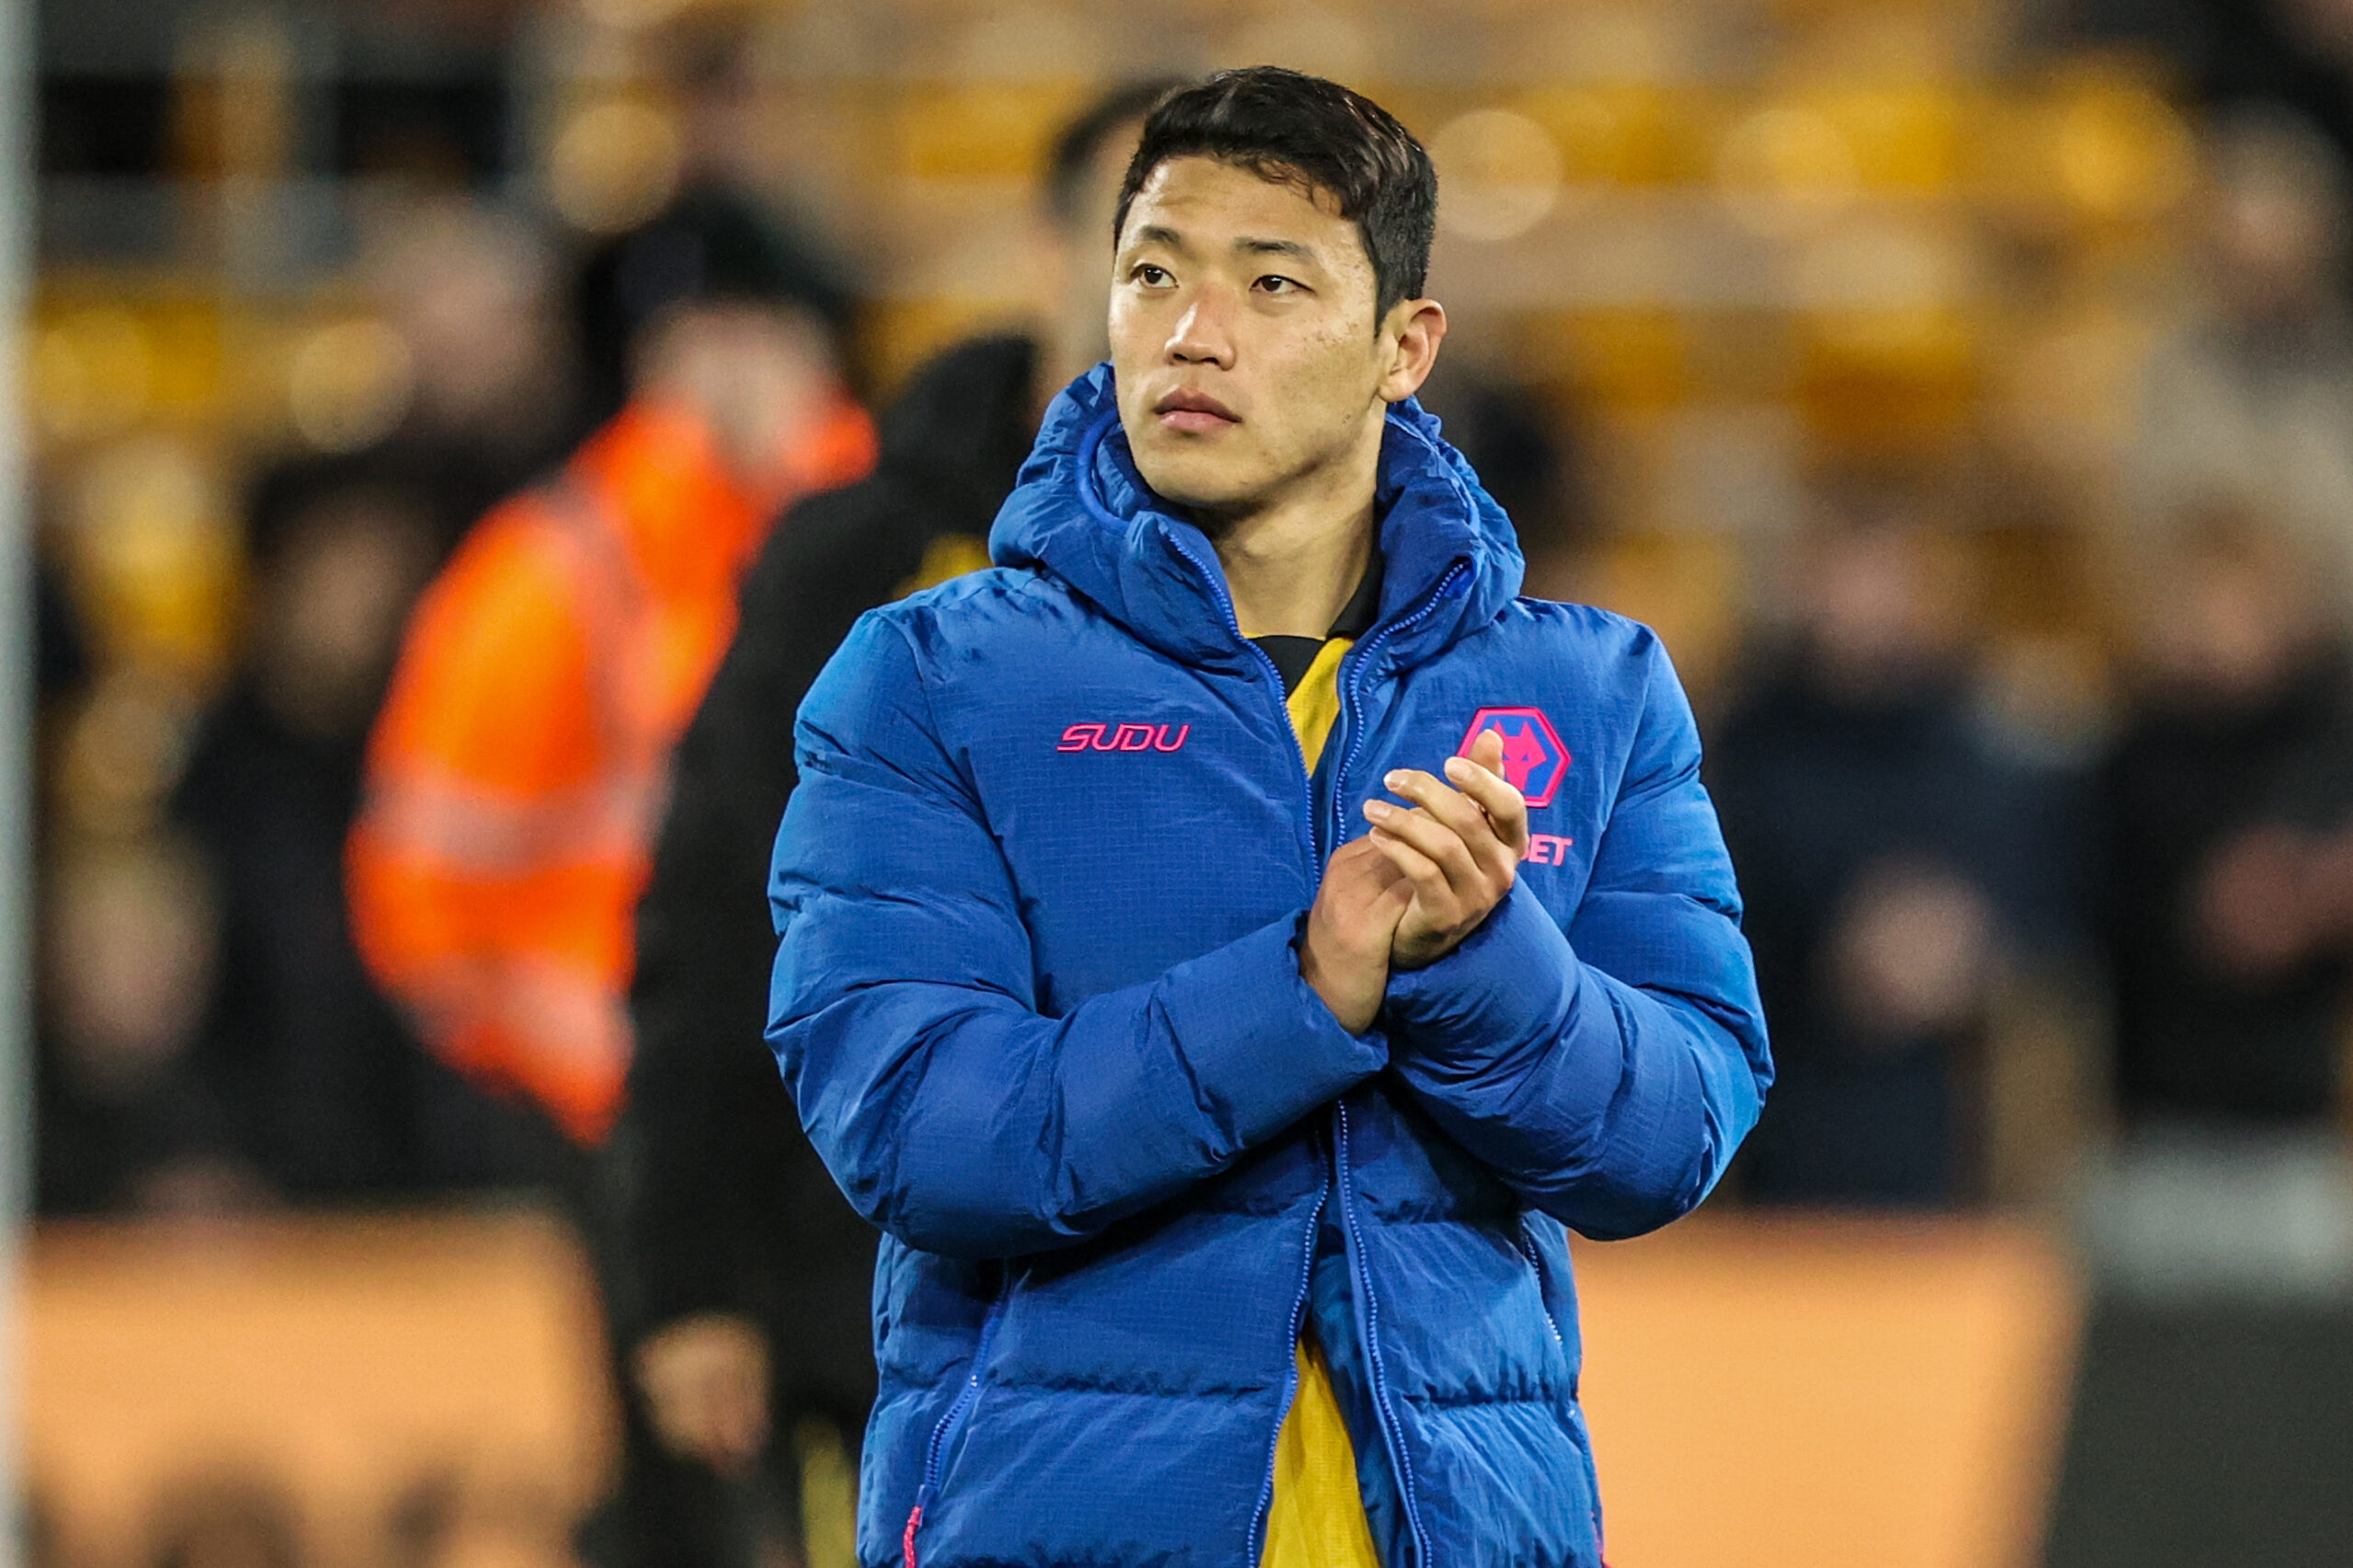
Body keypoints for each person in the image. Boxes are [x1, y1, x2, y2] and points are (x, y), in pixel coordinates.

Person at [767, 68, 1770, 1568]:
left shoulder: (1595, 689)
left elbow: (1673, 1132)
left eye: (1271, 281)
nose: (1191, 331)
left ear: (1402, 347)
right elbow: (923, 1129)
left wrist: (1487, 963)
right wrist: (1305, 988)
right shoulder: (926, 680)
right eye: (1152, 272)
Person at [610, 79, 1177, 1562]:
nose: (1193, 310)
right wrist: (689, 1268)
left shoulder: (1334, 573)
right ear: (1052, 258)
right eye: (1151, 250)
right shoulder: (854, 562)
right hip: (879, 1312)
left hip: (1208, 1330)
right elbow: (723, 912)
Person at [347, 187, 873, 1157]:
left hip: (842, 1092)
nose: (738, 370)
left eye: (762, 331)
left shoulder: (904, 541)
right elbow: (423, 891)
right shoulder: (554, 572)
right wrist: (565, 1057)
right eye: (712, 334)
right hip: (606, 1101)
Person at [1708, 486, 2035, 1205]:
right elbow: (1705, 908)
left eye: (1883, 575)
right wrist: (1834, 951)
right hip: (1777, 1118)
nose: (1862, 600)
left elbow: (2022, 899)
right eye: (1844, 573)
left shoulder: (1965, 734)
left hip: (1931, 1130)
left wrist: (1964, 947)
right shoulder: (1749, 737)